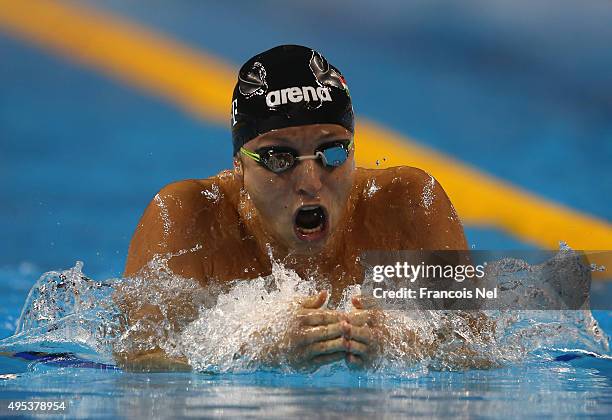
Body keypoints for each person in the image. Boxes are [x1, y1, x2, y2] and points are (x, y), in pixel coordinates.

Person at [117, 45, 468, 372]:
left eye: (332, 152)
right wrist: (258, 351)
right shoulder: (191, 217)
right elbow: (139, 361)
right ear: (240, 164)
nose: (311, 181)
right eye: (279, 158)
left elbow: (479, 350)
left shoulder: (407, 204)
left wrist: (400, 345)